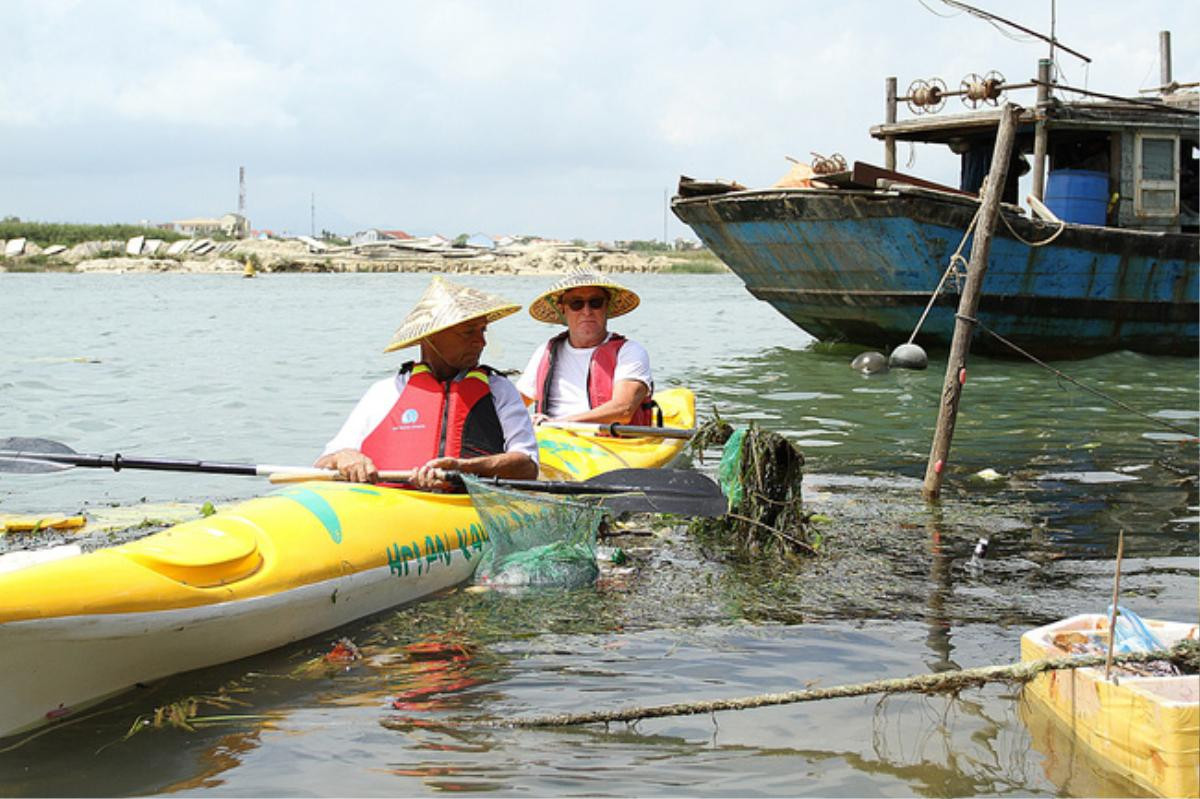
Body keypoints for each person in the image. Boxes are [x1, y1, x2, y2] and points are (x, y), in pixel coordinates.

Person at [316, 276, 539, 490]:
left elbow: (528, 466)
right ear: (431, 336)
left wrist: (464, 469)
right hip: (392, 504)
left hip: (467, 502)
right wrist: (344, 457)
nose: (481, 342)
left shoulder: (499, 389)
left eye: (482, 330)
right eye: (468, 331)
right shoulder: (385, 391)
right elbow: (324, 462)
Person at [516, 269, 656, 426]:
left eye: (595, 303)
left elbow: (623, 410)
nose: (587, 311)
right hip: (550, 437)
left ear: (606, 306)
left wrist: (558, 422)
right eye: (577, 304)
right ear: (563, 308)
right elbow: (514, 404)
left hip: (606, 441)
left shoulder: (630, 352)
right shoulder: (546, 351)